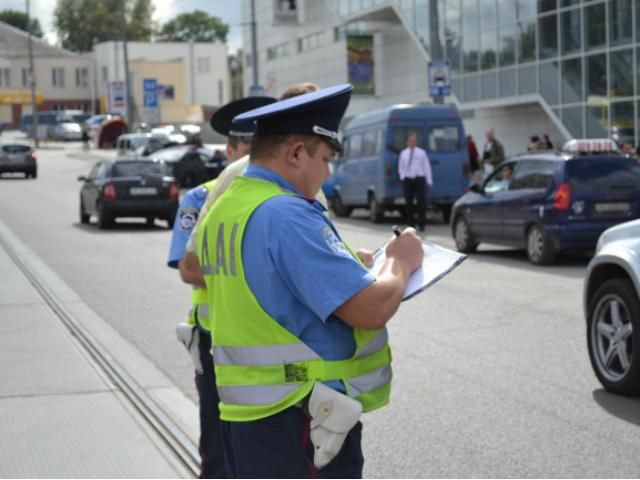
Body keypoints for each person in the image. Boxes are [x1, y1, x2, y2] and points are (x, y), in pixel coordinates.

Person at [195, 84, 423, 478]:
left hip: (249, 417)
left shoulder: (228, 206)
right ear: (297, 153)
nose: (328, 173)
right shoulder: (286, 214)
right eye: (326, 158)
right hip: (299, 420)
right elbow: (370, 308)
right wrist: (401, 261)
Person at [166, 95, 276, 479]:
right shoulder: (201, 197)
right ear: (229, 150)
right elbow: (188, 269)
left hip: (266, 341)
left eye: (259, 147)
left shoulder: (281, 195)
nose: (251, 157)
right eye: (245, 148)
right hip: (214, 339)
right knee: (217, 445)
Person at [398, 131, 433, 232]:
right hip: (408, 180)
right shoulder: (403, 153)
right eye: (411, 140)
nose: (413, 142)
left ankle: (421, 223)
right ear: (407, 142)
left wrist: (429, 179)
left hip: (419, 179)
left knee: (421, 202)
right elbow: (400, 168)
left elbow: (427, 167)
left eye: (414, 140)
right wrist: (402, 177)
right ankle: (411, 224)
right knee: (409, 203)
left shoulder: (421, 153)